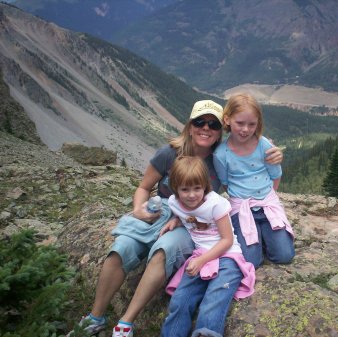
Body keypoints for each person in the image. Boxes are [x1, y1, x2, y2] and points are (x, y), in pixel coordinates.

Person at [67, 99, 283, 337]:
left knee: (164, 250)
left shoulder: (220, 158)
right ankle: (95, 318)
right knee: (121, 248)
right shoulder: (169, 153)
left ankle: (126, 322)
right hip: (157, 212)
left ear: (220, 129)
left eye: (212, 124)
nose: (206, 128)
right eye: (199, 122)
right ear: (190, 126)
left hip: (190, 221)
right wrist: (139, 209)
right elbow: (143, 186)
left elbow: (244, 170)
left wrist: (268, 151)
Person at [159, 156, 255, 337]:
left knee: (214, 300)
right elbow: (187, 214)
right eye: (185, 189)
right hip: (201, 254)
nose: (192, 195)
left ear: (205, 185)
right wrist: (175, 221)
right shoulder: (174, 202)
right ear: (175, 189)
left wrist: (202, 260)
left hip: (227, 256)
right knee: (180, 300)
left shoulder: (216, 204)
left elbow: (226, 240)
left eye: (197, 188)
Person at [213, 93, 295, 268]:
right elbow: (226, 183)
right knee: (251, 261)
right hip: (241, 207)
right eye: (240, 123)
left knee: (285, 255)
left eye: (252, 124)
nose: (245, 129)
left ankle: (265, 235)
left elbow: (275, 175)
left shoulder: (264, 145)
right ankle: (259, 237)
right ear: (227, 120)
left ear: (258, 123)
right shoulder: (221, 154)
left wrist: (267, 197)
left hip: (267, 203)